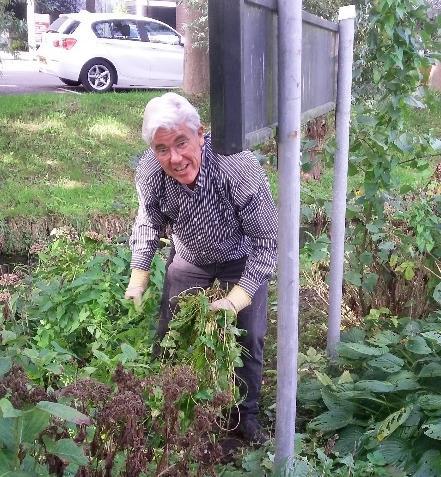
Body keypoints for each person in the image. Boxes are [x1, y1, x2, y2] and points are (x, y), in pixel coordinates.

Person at [125, 92, 277, 444]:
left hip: (240, 259)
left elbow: (268, 242)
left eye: (182, 143)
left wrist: (238, 298)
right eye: (163, 149)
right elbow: (149, 221)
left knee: (247, 337)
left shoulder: (236, 168)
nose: (174, 158)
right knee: (171, 334)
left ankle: (243, 421)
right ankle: (176, 409)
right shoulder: (151, 171)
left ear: (201, 134)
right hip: (190, 259)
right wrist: (139, 275)